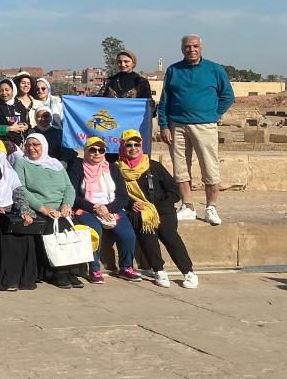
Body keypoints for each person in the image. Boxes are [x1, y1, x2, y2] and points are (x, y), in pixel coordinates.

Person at [157, 34, 234, 225]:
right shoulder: (174, 70)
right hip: (178, 126)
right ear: (182, 49)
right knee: (181, 167)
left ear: (201, 47)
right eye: (187, 47)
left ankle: (211, 207)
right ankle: (188, 206)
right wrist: (164, 125)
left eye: (195, 46)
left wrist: (214, 114)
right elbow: (165, 100)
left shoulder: (214, 69)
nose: (192, 50)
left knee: (210, 167)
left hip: (205, 125)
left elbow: (227, 96)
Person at [115, 130, 198, 289]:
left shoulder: (154, 166)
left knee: (170, 237)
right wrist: (131, 204)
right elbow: (117, 194)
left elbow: (173, 190)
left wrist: (163, 205)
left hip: (162, 208)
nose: (133, 148)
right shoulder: (118, 170)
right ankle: (158, 270)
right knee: (148, 236)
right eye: (129, 145)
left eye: (137, 145)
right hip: (140, 210)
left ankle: (188, 272)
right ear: (123, 147)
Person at [13, 133, 83, 289]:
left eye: (36, 145)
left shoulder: (55, 164)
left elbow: (69, 188)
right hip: (40, 207)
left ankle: (72, 272)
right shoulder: (22, 163)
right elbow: (21, 189)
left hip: (61, 208)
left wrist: (66, 205)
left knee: (71, 229)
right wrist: (43, 209)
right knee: (53, 229)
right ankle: (58, 274)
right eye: (28, 145)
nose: (31, 148)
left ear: (43, 146)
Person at [68, 136, 140, 283]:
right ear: (86, 151)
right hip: (87, 208)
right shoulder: (77, 167)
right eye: (92, 150)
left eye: (100, 150)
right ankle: (94, 270)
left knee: (128, 235)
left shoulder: (112, 168)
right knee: (94, 233)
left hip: (110, 208)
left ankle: (126, 268)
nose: (97, 153)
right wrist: (94, 208)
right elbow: (73, 194)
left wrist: (108, 208)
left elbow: (122, 196)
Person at [0, 138, 39, 292]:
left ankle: (24, 280)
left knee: (25, 235)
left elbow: (19, 195)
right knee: (5, 236)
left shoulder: (10, 173)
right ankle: (7, 280)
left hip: (10, 211)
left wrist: (25, 212)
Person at [0, 79, 30, 146]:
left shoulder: (20, 106)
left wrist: (27, 127)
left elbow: (27, 122)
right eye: (1, 91)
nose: (4, 93)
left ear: (13, 90)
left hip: (23, 142)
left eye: (7, 90)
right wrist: (10, 128)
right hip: (4, 144)